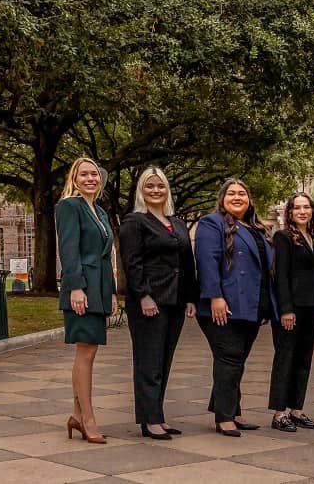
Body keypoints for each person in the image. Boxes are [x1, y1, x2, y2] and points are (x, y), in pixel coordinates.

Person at [118, 167, 198, 441]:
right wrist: (144, 295)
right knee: (148, 361)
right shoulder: (134, 221)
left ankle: (157, 415)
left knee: (164, 360)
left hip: (175, 300)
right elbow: (132, 262)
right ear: (141, 190)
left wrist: (190, 297)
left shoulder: (176, 223)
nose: (155, 191)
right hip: (149, 301)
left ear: (167, 190)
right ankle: (149, 419)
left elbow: (187, 263)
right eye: (149, 186)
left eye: (160, 186)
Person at [194, 178, 275, 437]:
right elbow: (208, 260)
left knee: (236, 360)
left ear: (249, 199)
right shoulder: (211, 223)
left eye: (242, 193)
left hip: (251, 306)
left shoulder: (256, 229)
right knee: (228, 359)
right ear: (222, 198)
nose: (237, 197)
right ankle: (225, 417)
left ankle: (232, 410)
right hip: (224, 305)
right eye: (231, 193)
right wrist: (215, 296)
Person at [56, 157, 119, 445]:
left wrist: (113, 291)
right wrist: (75, 288)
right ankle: (88, 418)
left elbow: (106, 256)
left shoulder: (101, 212)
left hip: (100, 288)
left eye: (95, 174)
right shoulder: (70, 207)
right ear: (74, 178)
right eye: (84, 174)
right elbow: (69, 251)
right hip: (82, 288)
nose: (91, 178)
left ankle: (77, 415)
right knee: (86, 352)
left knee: (90, 352)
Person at [268, 192, 314, 431]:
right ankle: (279, 413)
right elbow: (280, 275)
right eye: (297, 208)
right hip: (291, 310)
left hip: (311, 310)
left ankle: (296, 410)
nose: (302, 212)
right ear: (290, 213)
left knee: (304, 360)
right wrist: (285, 309)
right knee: (285, 359)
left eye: (306, 207)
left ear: (312, 211)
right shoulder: (282, 237)